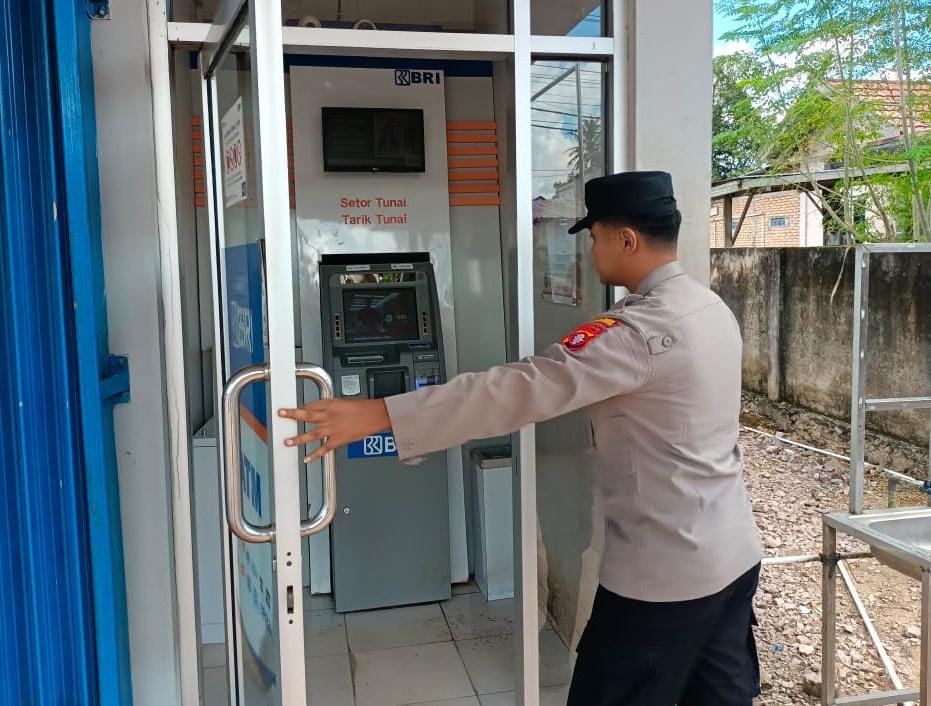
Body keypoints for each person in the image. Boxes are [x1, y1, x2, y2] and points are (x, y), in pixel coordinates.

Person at [278, 171, 763, 705]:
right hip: (733, 555)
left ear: (626, 239)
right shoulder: (709, 308)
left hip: (663, 578)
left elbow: (516, 389)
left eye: (595, 235)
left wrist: (381, 414)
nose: (592, 247)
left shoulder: (637, 335)